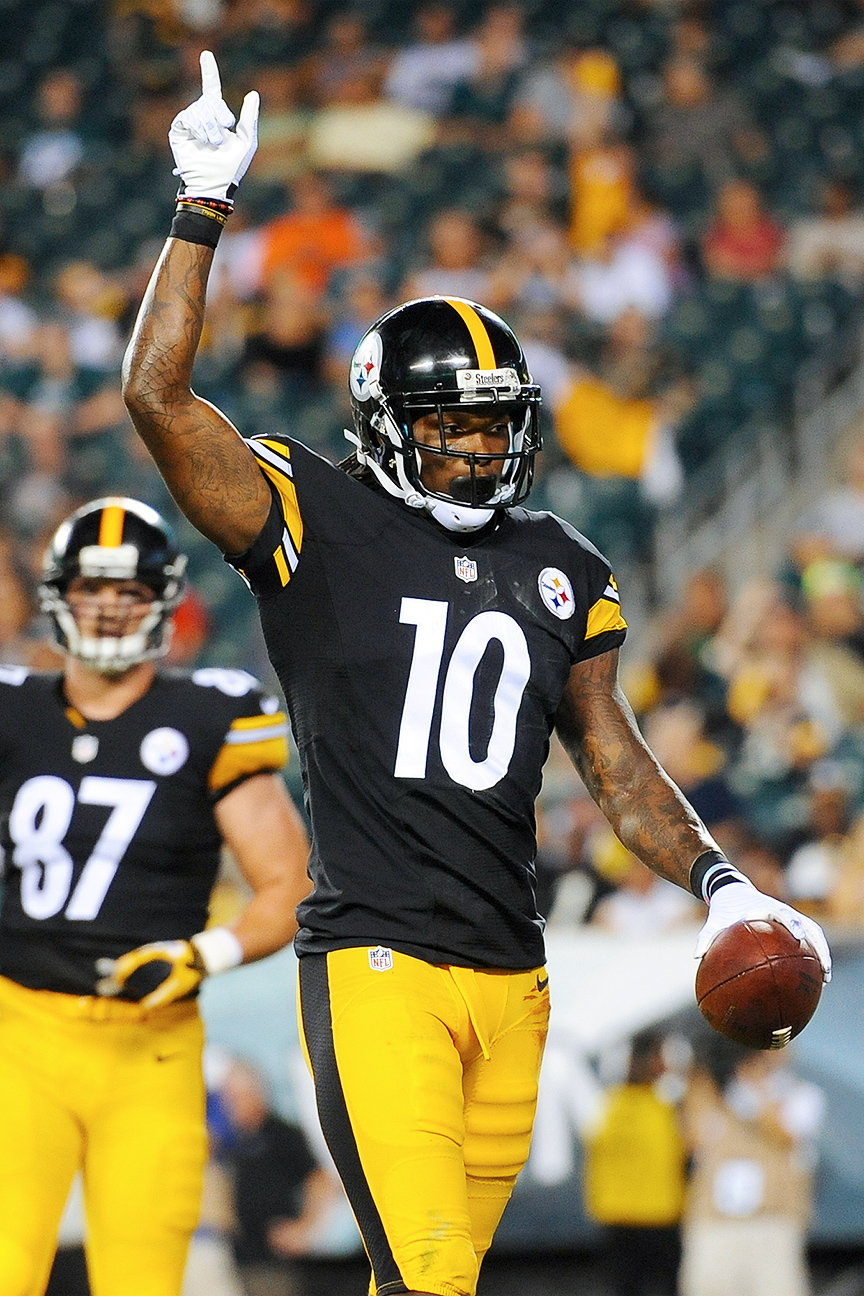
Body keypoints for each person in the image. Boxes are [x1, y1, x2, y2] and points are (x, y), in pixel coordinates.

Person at [120, 52, 832, 1296]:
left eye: (498, 422)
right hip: (377, 962)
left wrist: (722, 885)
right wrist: (202, 210)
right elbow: (158, 395)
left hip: (516, 979)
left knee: (432, 1282)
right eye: (452, 424)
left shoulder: (563, 562)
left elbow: (611, 762)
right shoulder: (310, 515)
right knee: (438, 1275)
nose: (479, 446)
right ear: (389, 423)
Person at [0, 495, 311, 1296]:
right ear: (59, 597)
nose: (107, 609)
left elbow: (288, 884)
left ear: (163, 600)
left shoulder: (212, 713)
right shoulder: (11, 706)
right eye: (91, 589)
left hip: (153, 1046)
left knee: (142, 1281)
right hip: (18, 1036)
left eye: (128, 591)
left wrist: (204, 952)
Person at [583, 1029, 687, 1296]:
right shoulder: (613, 1105)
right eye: (660, 1056)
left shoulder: (667, 1104)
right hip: (624, 1219)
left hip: (660, 1218)